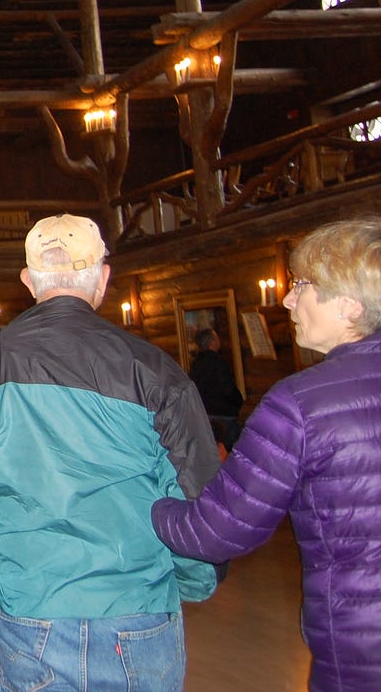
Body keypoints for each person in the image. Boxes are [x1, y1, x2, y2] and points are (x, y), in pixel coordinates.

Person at [0, 214, 220, 692]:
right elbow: (196, 497)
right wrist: (192, 580)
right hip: (137, 606)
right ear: (103, 279)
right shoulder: (152, 370)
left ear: (28, 281)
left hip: (32, 607)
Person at [152, 217, 381, 692]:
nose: (288, 300)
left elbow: (216, 530)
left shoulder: (302, 403)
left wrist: (148, 504)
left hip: (364, 644)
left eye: (303, 286)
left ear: (350, 305)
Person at [187, 328, 244, 451]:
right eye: (216, 338)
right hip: (224, 416)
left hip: (204, 417)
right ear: (212, 342)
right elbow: (228, 389)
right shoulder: (219, 363)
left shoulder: (195, 365)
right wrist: (238, 401)